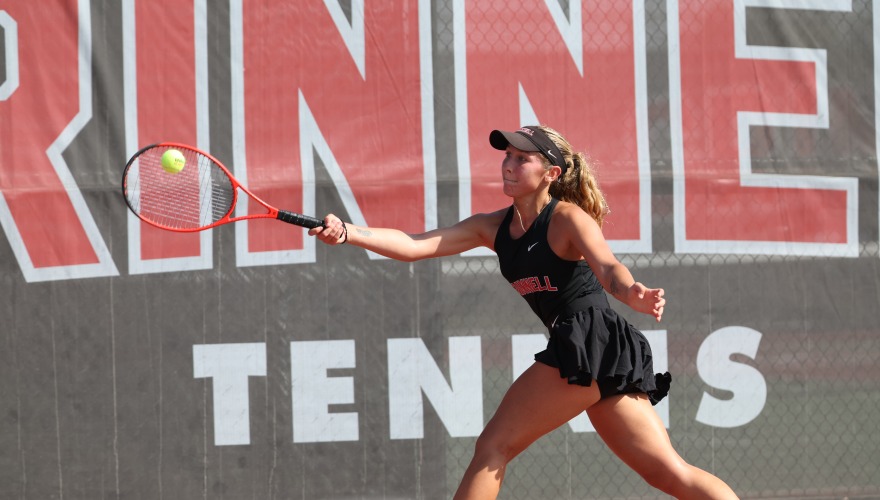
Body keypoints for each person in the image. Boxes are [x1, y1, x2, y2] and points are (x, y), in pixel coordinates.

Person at [310, 125, 738, 499]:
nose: (508, 165)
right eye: (507, 156)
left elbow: (608, 268)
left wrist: (632, 292)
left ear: (551, 173)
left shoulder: (567, 218)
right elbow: (416, 244)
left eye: (522, 158)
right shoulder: (493, 227)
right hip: (598, 349)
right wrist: (348, 233)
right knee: (668, 472)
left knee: (494, 447)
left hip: (589, 340)